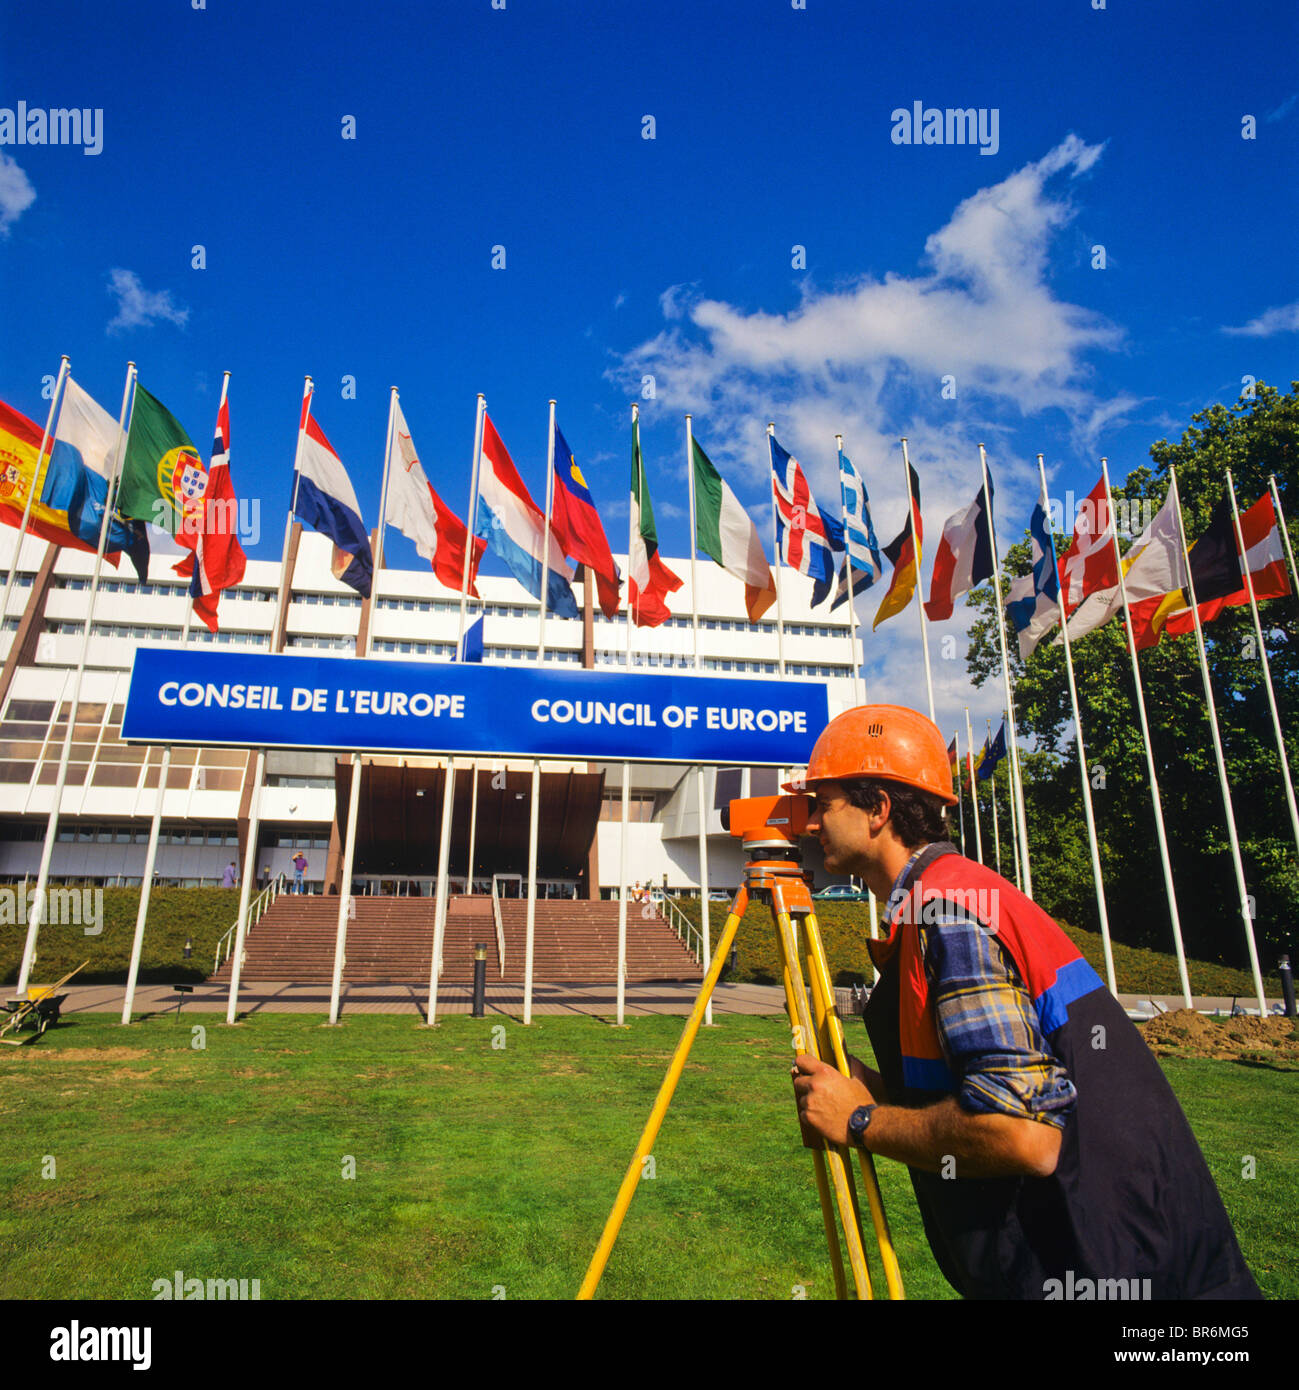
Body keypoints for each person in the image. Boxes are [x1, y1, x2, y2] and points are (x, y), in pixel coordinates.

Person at [789, 703, 1260, 1301]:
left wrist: (860, 1121)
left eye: (823, 804)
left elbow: (1023, 1136)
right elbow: (983, 1081)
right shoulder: (944, 898)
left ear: (878, 809)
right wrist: (874, 1090)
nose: (808, 824)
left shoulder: (948, 912)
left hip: (1128, 1276)